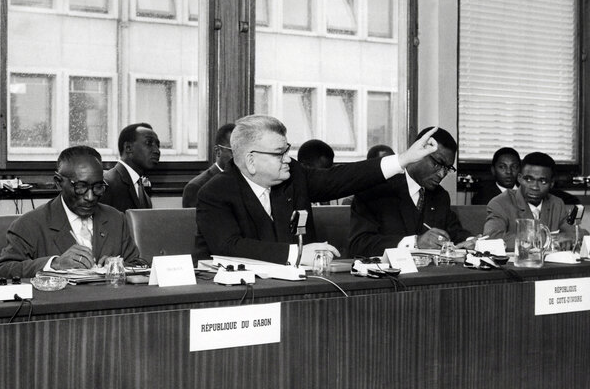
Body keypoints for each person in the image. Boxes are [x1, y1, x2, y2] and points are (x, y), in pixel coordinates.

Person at [195, 115, 440, 264]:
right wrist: (298, 254)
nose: (287, 159)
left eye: (287, 149)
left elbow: (344, 178)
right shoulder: (214, 193)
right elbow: (229, 247)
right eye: (280, 153)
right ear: (250, 160)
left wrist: (403, 159)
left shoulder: (294, 176)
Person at [0, 146, 139, 279]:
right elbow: (1, 271)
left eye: (98, 187)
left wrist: (117, 265)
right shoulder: (30, 224)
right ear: (58, 182)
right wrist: (55, 263)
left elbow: (138, 265)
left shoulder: (116, 219)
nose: (90, 196)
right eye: (81, 187)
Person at [349, 127, 473, 257]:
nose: (442, 174)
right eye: (437, 164)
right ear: (418, 153)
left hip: (430, 274)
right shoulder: (375, 190)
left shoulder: (440, 196)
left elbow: (454, 232)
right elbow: (359, 245)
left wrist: (470, 242)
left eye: (447, 168)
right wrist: (415, 243)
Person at [483, 152, 583, 250]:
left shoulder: (556, 203)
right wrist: (550, 240)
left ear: (551, 183)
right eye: (529, 179)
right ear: (519, 178)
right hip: (517, 265)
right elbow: (491, 239)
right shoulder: (499, 203)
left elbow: (577, 233)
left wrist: (570, 236)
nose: (535, 187)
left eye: (542, 181)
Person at [101, 123, 160, 212]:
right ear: (128, 148)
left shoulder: (143, 192)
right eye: (149, 143)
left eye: (157, 145)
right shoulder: (107, 185)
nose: (157, 151)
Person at [182, 123, 235, 208]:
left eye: (242, 151)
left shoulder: (249, 182)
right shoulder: (196, 187)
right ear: (218, 151)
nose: (239, 156)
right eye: (233, 151)